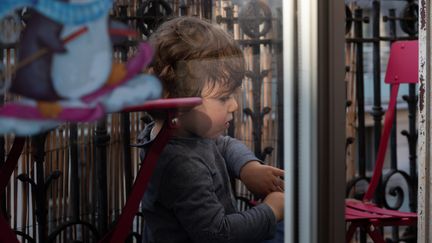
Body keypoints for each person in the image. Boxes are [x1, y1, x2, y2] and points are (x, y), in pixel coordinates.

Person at [137, 16, 284, 243]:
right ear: (175, 99)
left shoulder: (182, 134)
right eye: (224, 97)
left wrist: (248, 167)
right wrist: (271, 210)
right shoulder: (179, 163)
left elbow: (223, 145)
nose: (234, 105)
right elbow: (218, 234)